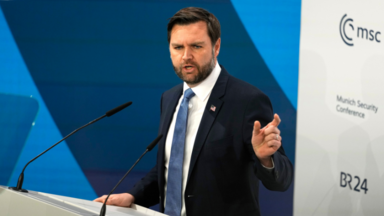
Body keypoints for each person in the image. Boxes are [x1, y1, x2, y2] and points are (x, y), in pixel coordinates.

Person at [95, 7, 293, 216]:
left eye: (196, 46)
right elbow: (173, 168)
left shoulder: (247, 100)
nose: (186, 56)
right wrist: (133, 196)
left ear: (216, 47)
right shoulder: (170, 98)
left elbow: (282, 181)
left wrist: (265, 159)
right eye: (178, 47)